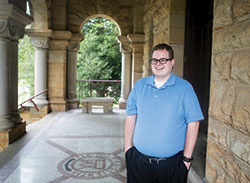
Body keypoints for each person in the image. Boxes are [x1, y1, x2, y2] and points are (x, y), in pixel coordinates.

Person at [125, 43, 204, 183]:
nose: (158, 64)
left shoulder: (185, 88)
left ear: (172, 62)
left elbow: (194, 123)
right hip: (138, 163)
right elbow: (131, 116)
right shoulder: (139, 86)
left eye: (163, 60)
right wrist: (128, 149)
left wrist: (186, 160)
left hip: (172, 166)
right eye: (154, 60)